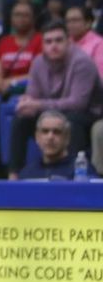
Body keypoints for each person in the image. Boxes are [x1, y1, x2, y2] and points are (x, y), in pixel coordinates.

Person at [7, 21, 102, 177]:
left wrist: (37, 104)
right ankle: (13, 175)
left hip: (88, 114)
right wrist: (26, 103)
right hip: (53, 112)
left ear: (69, 42)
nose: (54, 46)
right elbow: (33, 96)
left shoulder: (82, 62)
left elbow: (78, 103)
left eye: (59, 40)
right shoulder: (38, 62)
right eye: (48, 41)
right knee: (21, 118)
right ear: (42, 44)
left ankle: (73, 174)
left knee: (71, 121)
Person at [18, 110, 96, 180]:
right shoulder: (27, 174)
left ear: (67, 138)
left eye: (57, 132)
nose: (50, 137)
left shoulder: (83, 171)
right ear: (37, 137)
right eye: (45, 131)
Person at [0, 1, 42, 97]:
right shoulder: (4, 42)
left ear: (33, 18)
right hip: (3, 90)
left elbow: (38, 75)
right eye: (17, 14)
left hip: (29, 90)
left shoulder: (41, 40)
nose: (20, 18)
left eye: (25, 15)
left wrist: (10, 81)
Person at [66, 5, 103, 77]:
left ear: (88, 23)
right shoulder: (65, 42)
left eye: (75, 20)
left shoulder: (99, 44)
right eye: (68, 21)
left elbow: (100, 75)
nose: (70, 24)